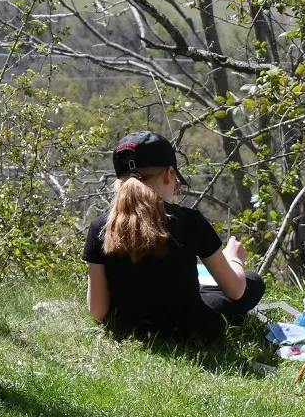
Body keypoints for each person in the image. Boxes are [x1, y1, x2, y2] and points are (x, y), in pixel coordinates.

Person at [83, 131, 265, 339]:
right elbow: (235, 290)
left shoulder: (99, 227)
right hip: (188, 330)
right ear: (169, 174)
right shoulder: (191, 221)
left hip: (129, 328)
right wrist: (234, 258)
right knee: (252, 281)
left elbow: (97, 311)